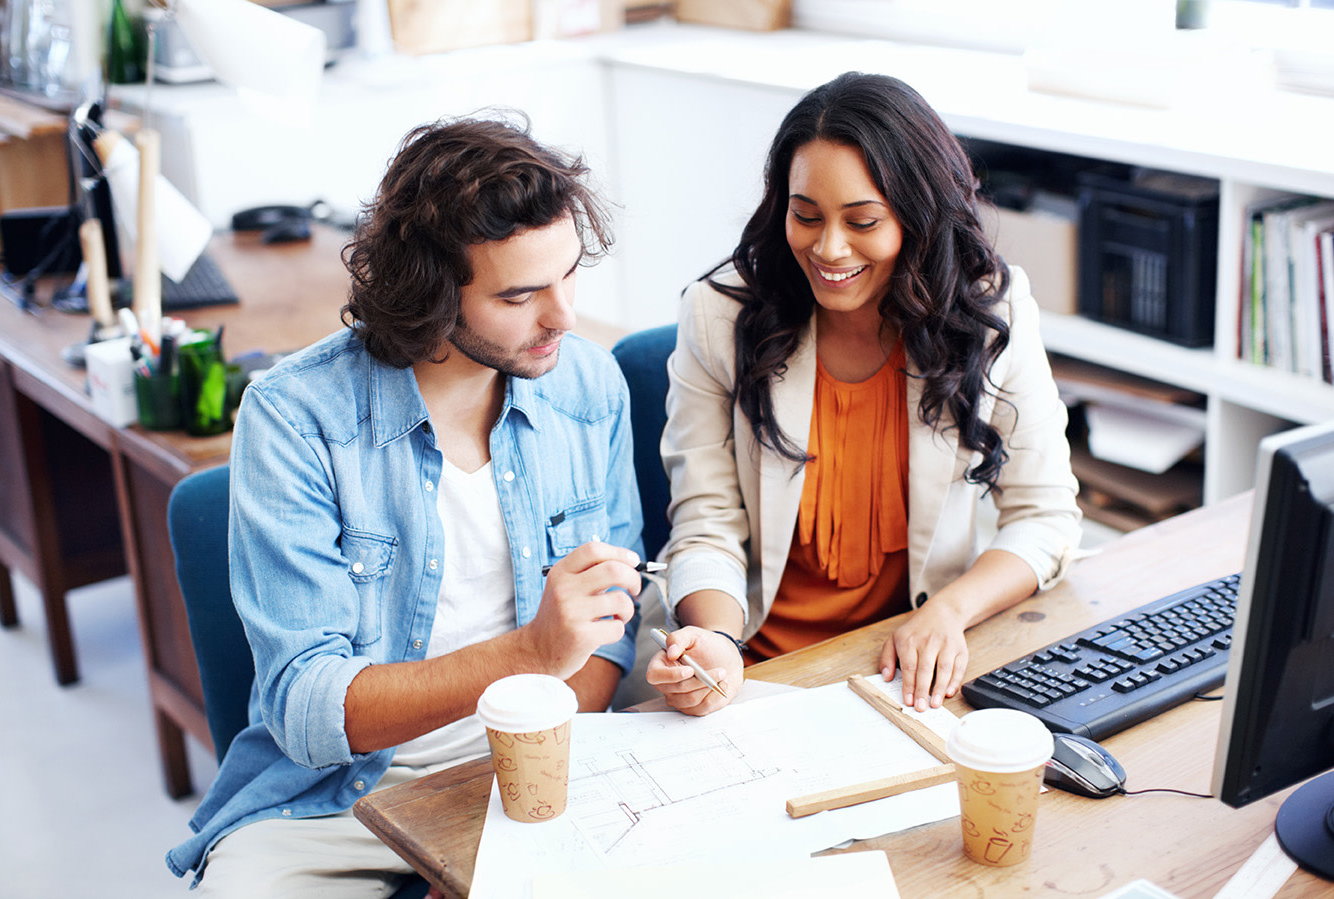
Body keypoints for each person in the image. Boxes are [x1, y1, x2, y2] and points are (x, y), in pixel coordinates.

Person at [167, 115, 645, 895]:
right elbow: (307, 706)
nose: (562, 316)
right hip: (340, 797)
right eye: (520, 294)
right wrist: (530, 654)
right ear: (433, 293)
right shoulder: (295, 418)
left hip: (546, 751)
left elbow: (611, 626)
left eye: (568, 275)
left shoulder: (588, 385)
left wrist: (533, 759)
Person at [646, 72, 1082, 718]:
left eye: (862, 221)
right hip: (754, 668)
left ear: (920, 215)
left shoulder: (993, 310)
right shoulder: (717, 315)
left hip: (901, 667)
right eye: (805, 215)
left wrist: (950, 611)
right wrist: (717, 642)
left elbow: (1045, 515)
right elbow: (706, 521)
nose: (828, 248)